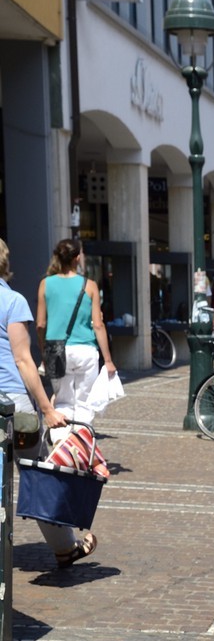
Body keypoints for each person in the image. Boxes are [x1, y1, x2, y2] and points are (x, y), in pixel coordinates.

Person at [0, 238, 100, 568]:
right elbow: (22, 360)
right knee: (41, 474)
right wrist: (47, 408)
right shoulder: (11, 301)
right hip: (12, 405)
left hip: (53, 358)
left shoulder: (45, 285)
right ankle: (64, 547)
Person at [36, 238, 116, 428]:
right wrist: (109, 360)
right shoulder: (89, 286)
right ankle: (81, 445)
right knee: (84, 402)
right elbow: (98, 325)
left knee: (62, 401)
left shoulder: (45, 284)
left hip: (55, 349)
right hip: (85, 349)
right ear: (77, 258)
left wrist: (43, 352)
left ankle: (62, 445)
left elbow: (40, 324)